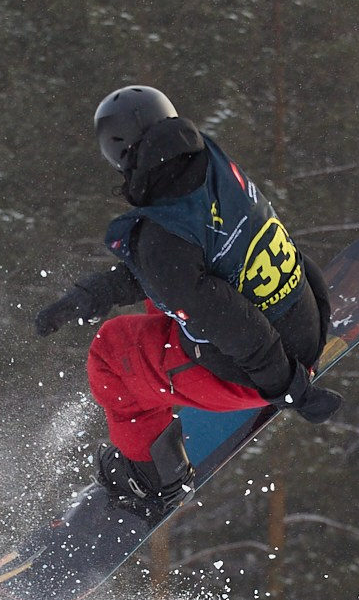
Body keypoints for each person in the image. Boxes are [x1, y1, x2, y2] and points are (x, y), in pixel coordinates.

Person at [34, 86, 342, 516]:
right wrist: (94, 294)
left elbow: (230, 320)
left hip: (257, 368)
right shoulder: (209, 164)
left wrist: (288, 387)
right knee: (164, 304)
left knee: (110, 352)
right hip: (301, 313)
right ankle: (186, 386)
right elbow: (185, 271)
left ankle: (153, 479)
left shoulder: (159, 237)